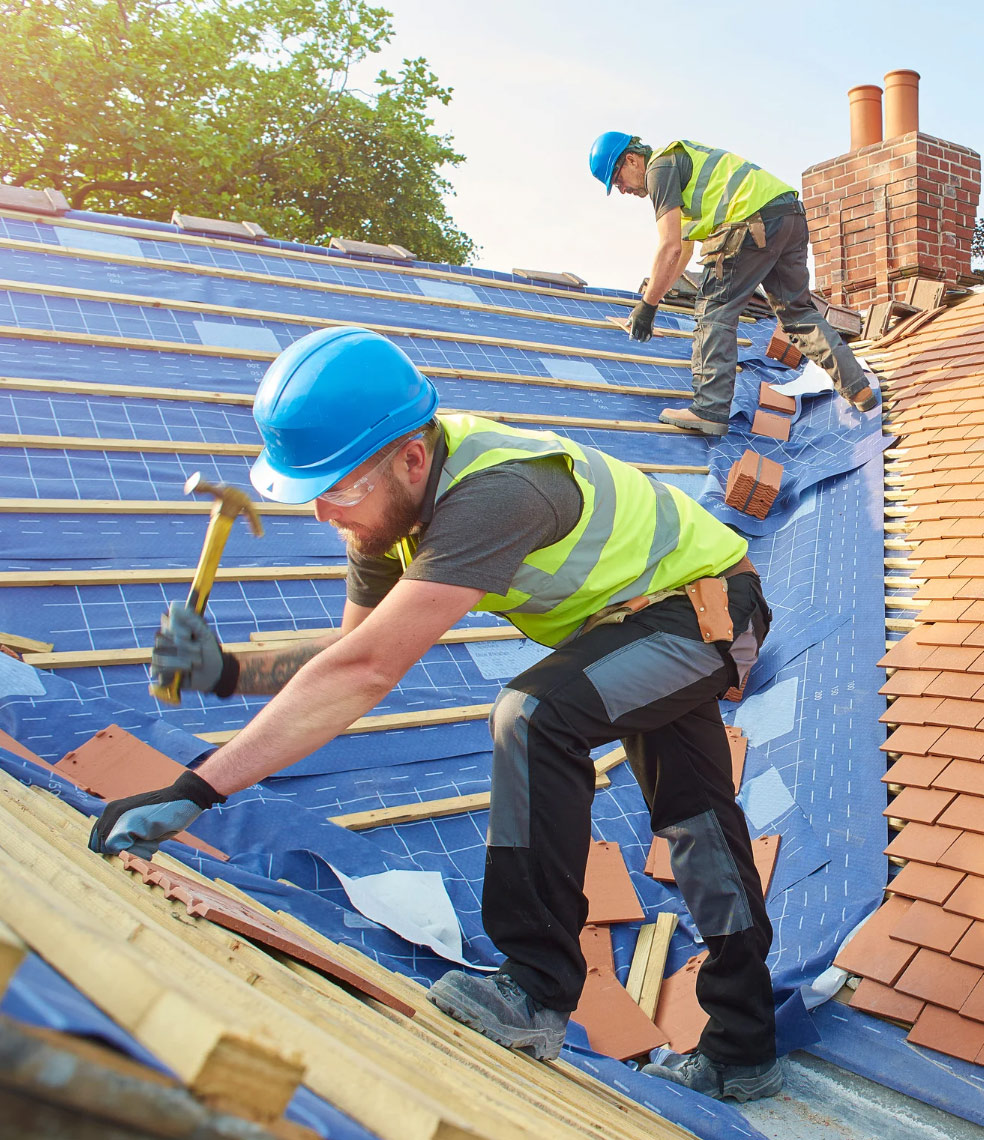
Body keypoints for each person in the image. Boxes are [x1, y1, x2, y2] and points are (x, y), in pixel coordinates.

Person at [90, 326, 782, 1101]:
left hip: (707, 609)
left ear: (411, 459)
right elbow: (353, 655)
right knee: (697, 825)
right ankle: (744, 1047)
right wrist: (228, 672)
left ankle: (535, 988)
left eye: (338, 488)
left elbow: (363, 674)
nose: (324, 512)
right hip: (635, 624)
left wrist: (195, 790)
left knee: (534, 716)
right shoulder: (383, 513)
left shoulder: (497, 493)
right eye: (310, 491)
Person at [589, 132, 877, 436]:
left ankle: (709, 409)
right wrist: (653, 301)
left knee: (714, 311)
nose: (621, 190)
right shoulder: (682, 172)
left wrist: (646, 306)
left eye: (617, 179)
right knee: (798, 314)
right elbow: (682, 252)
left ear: (632, 159)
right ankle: (859, 389)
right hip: (788, 216)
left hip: (751, 221)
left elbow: (669, 246)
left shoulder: (659, 169)